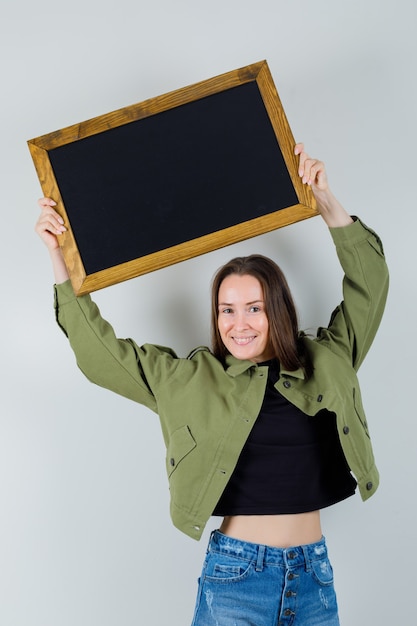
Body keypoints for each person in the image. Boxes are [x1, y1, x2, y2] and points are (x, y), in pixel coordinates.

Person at [35, 144, 389, 625]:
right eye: (227, 309)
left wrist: (327, 203)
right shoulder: (189, 379)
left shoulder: (327, 359)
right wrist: (59, 256)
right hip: (237, 579)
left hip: (314, 578)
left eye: (253, 307)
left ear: (277, 311)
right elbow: (101, 357)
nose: (238, 323)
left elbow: (370, 285)